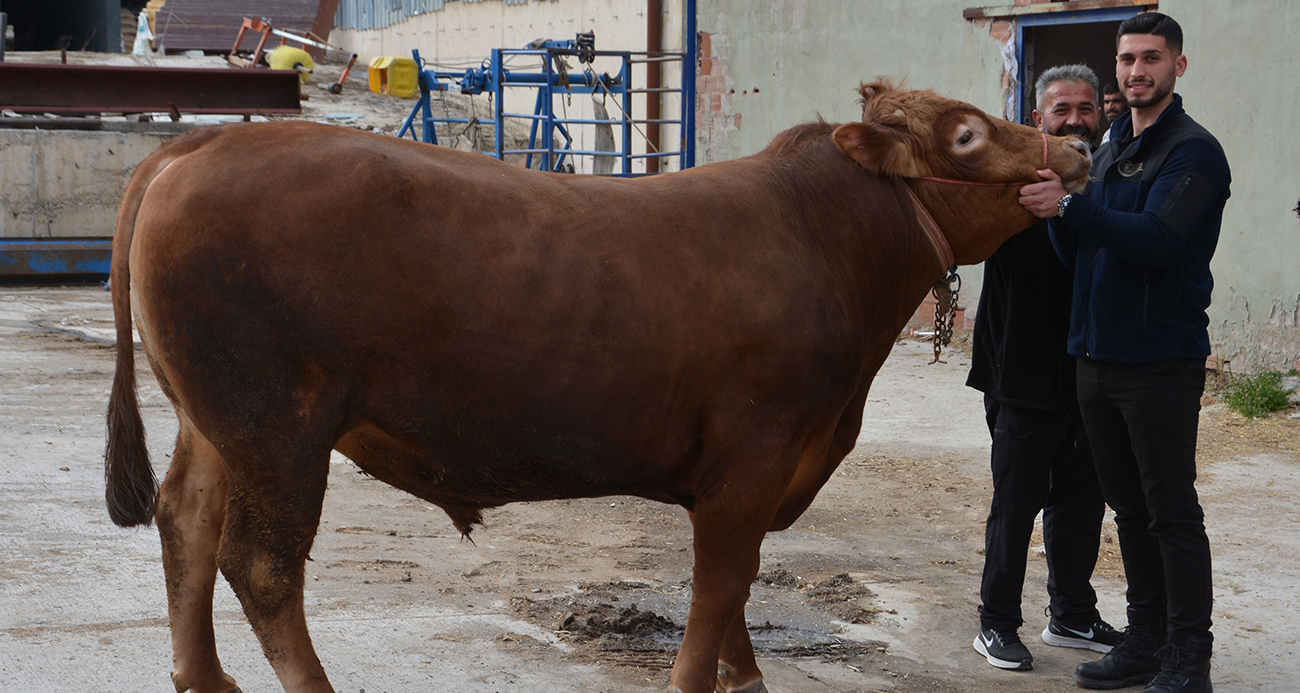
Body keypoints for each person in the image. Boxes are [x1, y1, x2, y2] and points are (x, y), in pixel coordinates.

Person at [1018, 12, 1230, 693]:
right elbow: (1080, 250)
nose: (1137, 71)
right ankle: (1145, 643)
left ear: (1177, 66)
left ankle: (1189, 658)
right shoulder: (1109, 150)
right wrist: (1057, 214)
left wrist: (1070, 208)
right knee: (1131, 512)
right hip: (1096, 359)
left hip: (1159, 362)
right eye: (1128, 59)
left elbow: (1157, 242)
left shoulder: (1194, 153)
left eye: (1151, 58)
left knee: (1171, 513)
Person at [967, 63, 1118, 672]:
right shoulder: (1010, 182)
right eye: (1061, 109)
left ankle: (1072, 615)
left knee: (1081, 502)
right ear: (1038, 119)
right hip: (1021, 372)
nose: (1074, 119)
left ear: (1099, 113)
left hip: (1089, 373)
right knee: (1016, 503)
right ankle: (996, 624)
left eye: (1085, 108)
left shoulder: (1108, 179)